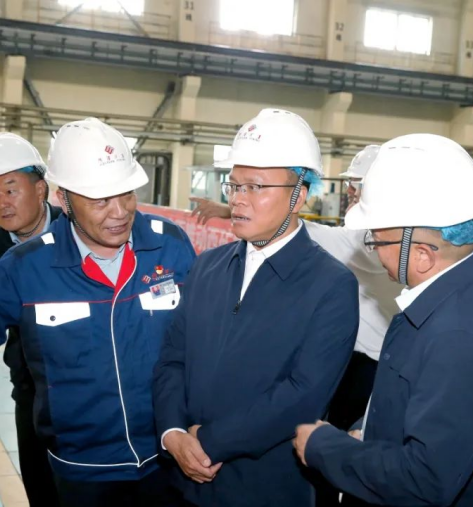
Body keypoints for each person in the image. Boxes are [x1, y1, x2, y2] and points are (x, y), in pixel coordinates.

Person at [0, 118, 197, 507]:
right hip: (83, 472)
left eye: (126, 193)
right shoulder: (26, 266)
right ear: (65, 199)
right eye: (100, 200)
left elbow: (203, 341)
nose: (119, 212)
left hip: (168, 459)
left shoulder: (170, 247)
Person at [293, 134, 473, 506]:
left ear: (422, 254)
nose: (375, 253)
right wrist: (367, 432)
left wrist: (324, 446)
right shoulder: (453, 297)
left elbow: (426, 479)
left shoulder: (465, 331)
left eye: (377, 242)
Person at [153, 108, 359, 507]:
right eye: (234, 186)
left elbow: (303, 393)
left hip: (267, 487)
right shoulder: (207, 267)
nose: (238, 200)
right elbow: (172, 359)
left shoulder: (331, 285)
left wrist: (210, 442)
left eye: (255, 187)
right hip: (184, 480)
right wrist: (172, 432)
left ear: (298, 196)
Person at [0, 132, 62, 507]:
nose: (0, 203)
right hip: (32, 387)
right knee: (41, 487)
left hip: (90, 384)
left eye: (10, 189)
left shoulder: (77, 230)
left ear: (40, 189)